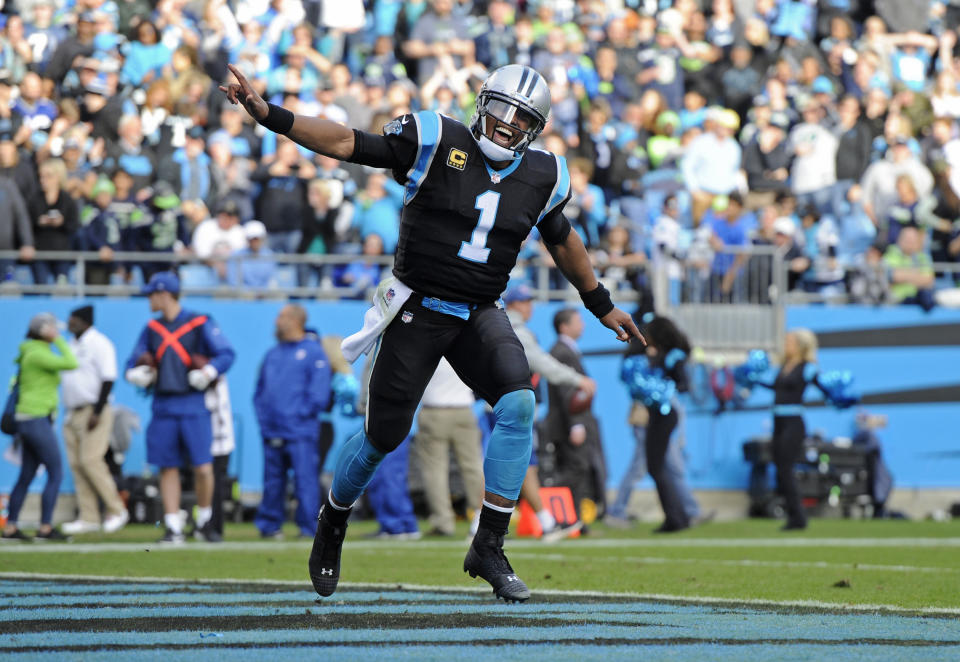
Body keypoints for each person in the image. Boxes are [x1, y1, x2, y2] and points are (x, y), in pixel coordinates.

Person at [221, 62, 642, 602]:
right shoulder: (436, 138)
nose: (506, 125)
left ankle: (489, 543)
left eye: (521, 119)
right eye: (500, 109)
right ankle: (333, 520)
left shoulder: (543, 174)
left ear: (535, 129)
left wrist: (600, 303)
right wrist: (272, 117)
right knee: (383, 436)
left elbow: (561, 238)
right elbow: (351, 142)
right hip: (418, 305)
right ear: (481, 102)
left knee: (517, 404)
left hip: (480, 309)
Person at [124, 272, 235, 544]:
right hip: (163, 404)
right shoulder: (152, 328)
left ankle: (205, 520)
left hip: (194, 403)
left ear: (164, 295)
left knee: (203, 467)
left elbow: (226, 354)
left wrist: (208, 371)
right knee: (167, 466)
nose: (149, 299)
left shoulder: (199, 322)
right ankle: (173, 525)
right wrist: (137, 373)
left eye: (152, 294)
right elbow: (132, 362)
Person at [504, 283, 592, 542]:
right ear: (514, 305)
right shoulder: (516, 331)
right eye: (526, 301)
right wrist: (577, 380)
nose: (530, 306)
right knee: (520, 467)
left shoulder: (501, 328)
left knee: (513, 467)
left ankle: (542, 521)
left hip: (503, 407)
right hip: (510, 409)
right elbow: (542, 363)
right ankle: (545, 521)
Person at [253, 305, 332, 539]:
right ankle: (269, 525)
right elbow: (260, 392)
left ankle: (308, 527)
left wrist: (298, 416)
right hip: (272, 430)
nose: (277, 320)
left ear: (296, 320)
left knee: (304, 480)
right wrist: (264, 420)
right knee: (272, 481)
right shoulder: (272, 354)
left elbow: (319, 395)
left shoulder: (314, 352)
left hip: (300, 431)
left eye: (281, 316)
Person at [2, 313, 77, 542]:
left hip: (30, 420)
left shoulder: (30, 352)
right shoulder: (37, 353)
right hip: (35, 419)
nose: (57, 330)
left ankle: (11, 527)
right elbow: (71, 362)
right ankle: (45, 527)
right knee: (56, 472)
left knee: (26, 474)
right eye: (52, 327)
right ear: (43, 330)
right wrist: (58, 340)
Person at [60, 305, 129, 535]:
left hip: (93, 410)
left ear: (84, 321)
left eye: (73, 320)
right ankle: (88, 517)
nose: (69, 324)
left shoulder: (100, 343)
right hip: (73, 411)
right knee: (77, 465)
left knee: (91, 460)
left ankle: (117, 510)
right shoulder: (71, 344)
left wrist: (97, 411)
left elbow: (108, 378)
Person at [754, 329, 828, 531]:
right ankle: (793, 514)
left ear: (800, 345)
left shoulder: (807, 368)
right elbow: (775, 387)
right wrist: (753, 378)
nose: (786, 344)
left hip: (793, 422)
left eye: (790, 341)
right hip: (778, 420)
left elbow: (823, 385)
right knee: (780, 469)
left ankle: (799, 516)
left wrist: (837, 394)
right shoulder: (784, 366)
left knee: (786, 469)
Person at [544, 308, 607, 523]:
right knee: (575, 469)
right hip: (569, 424)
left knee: (578, 469)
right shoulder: (562, 352)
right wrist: (577, 425)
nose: (583, 325)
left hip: (571, 422)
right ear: (564, 326)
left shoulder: (567, 350)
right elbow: (568, 393)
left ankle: (572, 520)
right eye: (578, 321)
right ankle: (568, 519)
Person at [632, 316, 693, 533]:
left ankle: (675, 518)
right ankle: (680, 516)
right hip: (658, 414)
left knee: (656, 466)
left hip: (665, 413)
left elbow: (683, 384)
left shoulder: (671, 357)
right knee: (659, 466)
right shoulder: (659, 355)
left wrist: (661, 382)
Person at [411, 358, 484, 537]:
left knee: (434, 471)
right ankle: (483, 518)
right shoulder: (465, 345)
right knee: (473, 467)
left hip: (433, 410)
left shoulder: (427, 344)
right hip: (464, 410)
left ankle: (443, 522)